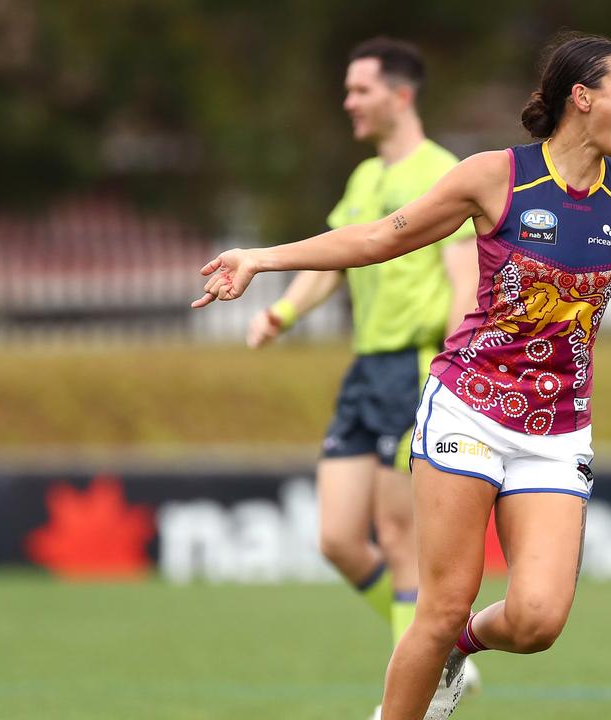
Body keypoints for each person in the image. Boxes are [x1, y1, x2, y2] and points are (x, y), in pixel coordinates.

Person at [195, 33, 611, 720]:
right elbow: (381, 236)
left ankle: (461, 649)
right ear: (582, 97)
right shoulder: (497, 177)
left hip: (557, 430)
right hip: (468, 409)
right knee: (442, 601)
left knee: (538, 621)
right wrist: (261, 258)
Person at [241, 37, 479, 716]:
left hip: (417, 366)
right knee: (340, 539)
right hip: (366, 370)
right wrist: (282, 313)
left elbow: (465, 277)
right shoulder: (365, 178)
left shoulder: (443, 172)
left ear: (400, 96)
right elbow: (335, 262)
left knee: (401, 539)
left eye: (360, 90)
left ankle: (421, 691)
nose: (348, 102)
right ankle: (439, 653)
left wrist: (450, 368)